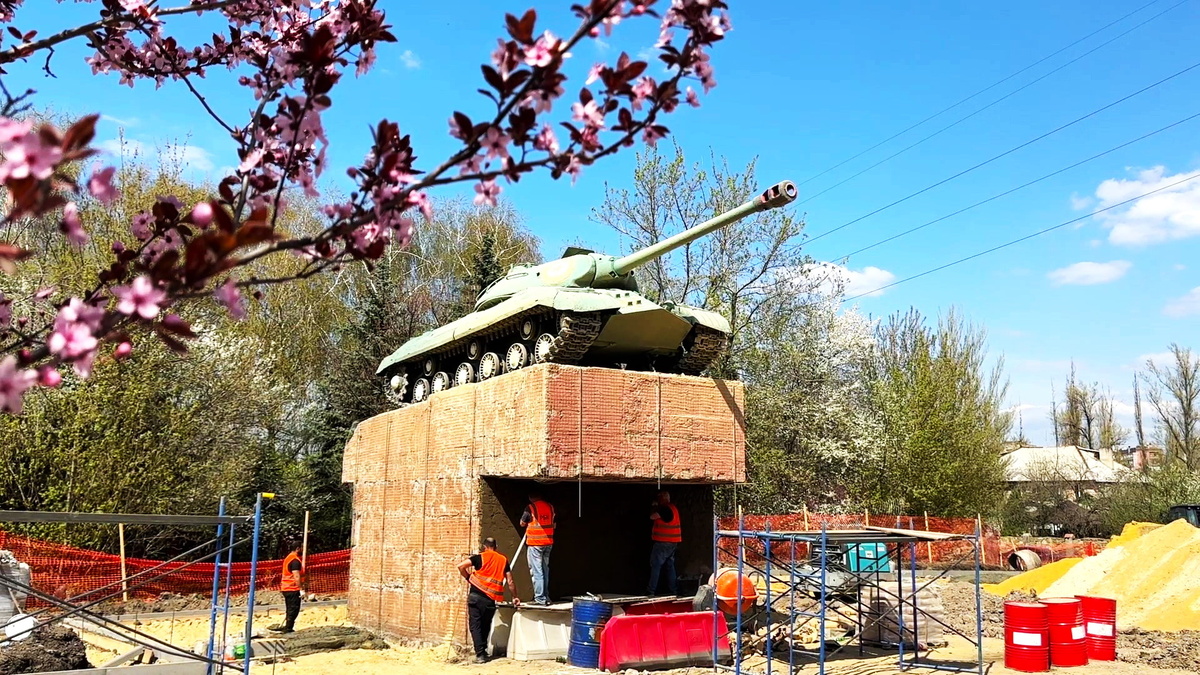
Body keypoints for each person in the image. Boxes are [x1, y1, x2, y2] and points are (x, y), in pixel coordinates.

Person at [457, 537, 520, 664]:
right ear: (496, 546)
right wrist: (515, 597)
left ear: (484, 547)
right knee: (485, 625)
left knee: (475, 625)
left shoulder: (480, 557)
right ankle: (483, 651)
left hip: (475, 596)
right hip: (490, 599)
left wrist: (468, 577)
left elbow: (461, 566)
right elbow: (510, 581)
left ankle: (480, 654)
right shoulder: (503, 560)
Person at [519, 492, 555, 605]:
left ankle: (540, 598)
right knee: (545, 570)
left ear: (530, 497)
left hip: (536, 544)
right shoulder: (550, 507)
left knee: (537, 571)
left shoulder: (530, 507)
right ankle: (546, 596)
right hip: (548, 543)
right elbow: (553, 523)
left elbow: (522, 523)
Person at [647, 490, 681, 597]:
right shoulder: (673, 508)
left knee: (656, 566)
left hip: (663, 543)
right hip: (673, 543)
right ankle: (674, 590)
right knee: (670, 566)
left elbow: (652, 516)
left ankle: (650, 591)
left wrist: (654, 506)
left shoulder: (664, 509)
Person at [275, 538, 305, 633]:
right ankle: (288, 628)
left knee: (290, 608)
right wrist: (301, 589)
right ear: (297, 548)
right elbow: (296, 576)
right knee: (294, 609)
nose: (303, 550)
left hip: (286, 588)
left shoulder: (288, 558)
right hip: (292, 588)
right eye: (301, 548)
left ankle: (288, 626)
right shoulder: (295, 561)